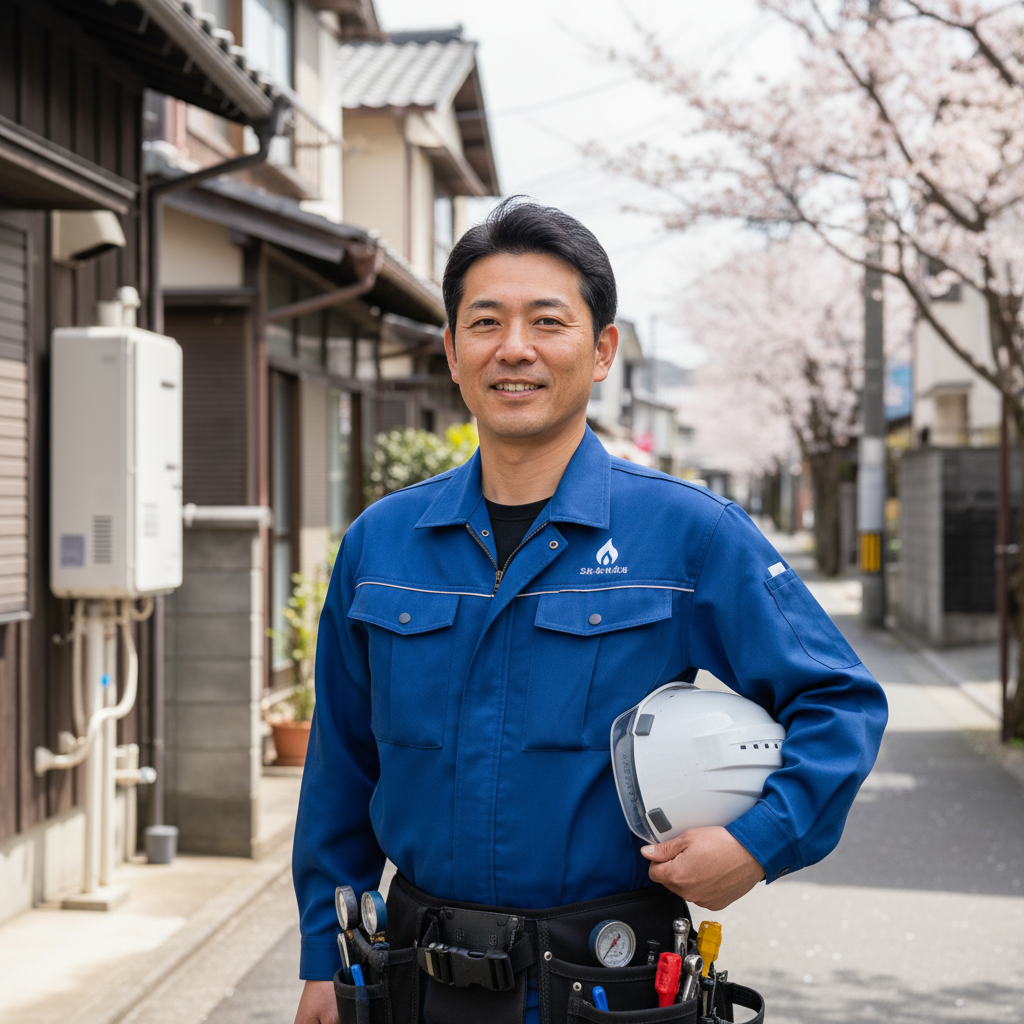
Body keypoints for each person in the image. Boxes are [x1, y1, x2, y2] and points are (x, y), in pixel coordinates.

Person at [292, 198, 887, 1024]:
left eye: (548, 321)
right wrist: (325, 959)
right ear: (453, 353)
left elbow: (839, 701)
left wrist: (756, 845)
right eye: (486, 322)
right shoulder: (380, 545)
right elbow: (340, 770)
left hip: (610, 985)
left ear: (602, 349)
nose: (516, 349)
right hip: (409, 983)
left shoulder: (689, 534)